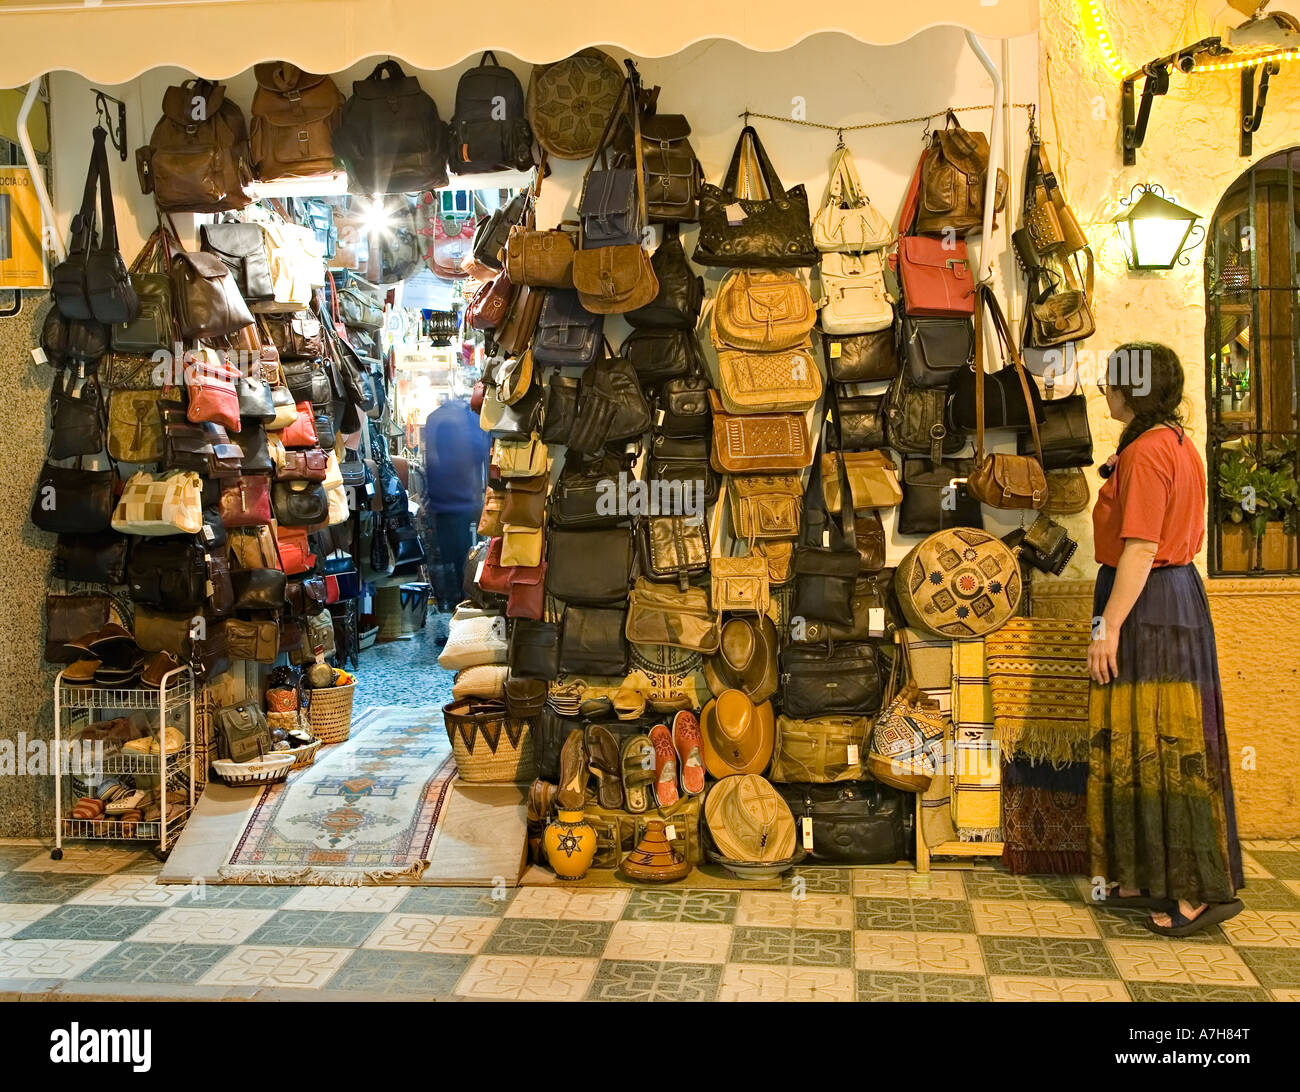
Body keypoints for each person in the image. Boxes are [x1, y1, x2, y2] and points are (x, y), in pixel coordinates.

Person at [1087, 342, 1243, 937]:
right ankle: (1146, 875)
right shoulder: (1173, 443)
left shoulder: (1151, 451)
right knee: (1141, 738)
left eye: (1112, 382)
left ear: (1135, 390)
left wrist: (1110, 627)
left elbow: (1142, 547)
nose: (1105, 391)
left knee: (1165, 746)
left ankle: (1196, 892)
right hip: (1167, 599)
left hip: (1148, 602)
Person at [424, 391, 490, 612]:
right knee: (467, 556)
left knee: (450, 557)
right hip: (465, 502)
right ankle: (465, 602)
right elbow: (482, 454)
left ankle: (452, 603)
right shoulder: (469, 420)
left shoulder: (434, 420)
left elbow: (430, 462)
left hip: (443, 503)